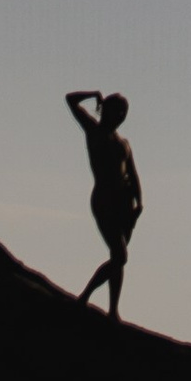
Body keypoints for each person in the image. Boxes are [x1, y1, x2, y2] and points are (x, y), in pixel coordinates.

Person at [65, 87, 142, 317]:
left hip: (124, 202)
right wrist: (93, 95)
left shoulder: (124, 143)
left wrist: (139, 203)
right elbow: (69, 100)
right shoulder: (94, 130)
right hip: (104, 199)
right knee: (120, 255)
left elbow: (133, 173)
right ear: (106, 110)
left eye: (123, 113)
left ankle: (113, 310)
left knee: (118, 258)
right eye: (116, 111)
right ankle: (85, 297)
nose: (120, 116)